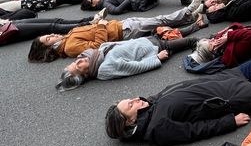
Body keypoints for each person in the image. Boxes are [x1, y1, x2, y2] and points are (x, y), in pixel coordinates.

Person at [104, 57, 251, 146]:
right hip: (226, 100)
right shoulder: (157, 129)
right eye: (130, 105)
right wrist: (230, 121)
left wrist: (142, 102)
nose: (135, 100)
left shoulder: (149, 105)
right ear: (130, 123)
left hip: (219, 81)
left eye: (130, 99)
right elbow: (195, 131)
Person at [28, 0, 205, 61]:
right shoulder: (69, 47)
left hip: (120, 25)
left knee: (159, 23)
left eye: (48, 34)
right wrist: (102, 25)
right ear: (49, 47)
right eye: (48, 39)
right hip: (122, 32)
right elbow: (98, 45)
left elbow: (91, 33)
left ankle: (188, 16)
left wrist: (98, 22)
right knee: (159, 21)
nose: (51, 35)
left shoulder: (67, 38)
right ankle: (188, 12)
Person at [55, 34, 199, 90]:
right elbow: (134, 68)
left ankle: (201, 27)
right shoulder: (104, 69)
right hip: (156, 49)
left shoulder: (95, 56)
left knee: (184, 33)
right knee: (191, 41)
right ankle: (212, 46)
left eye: (75, 62)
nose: (79, 61)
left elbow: (120, 44)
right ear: (85, 75)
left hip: (147, 41)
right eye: (78, 67)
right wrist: (156, 58)